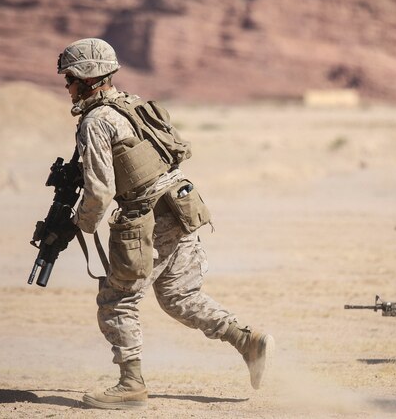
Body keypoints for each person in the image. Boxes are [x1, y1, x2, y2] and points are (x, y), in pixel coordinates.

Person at [56, 38, 273, 410]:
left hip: (148, 218)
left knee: (116, 299)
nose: (67, 86)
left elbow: (99, 190)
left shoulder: (96, 122)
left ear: (89, 79)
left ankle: (131, 385)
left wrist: (80, 222)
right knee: (179, 297)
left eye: (71, 78)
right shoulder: (130, 104)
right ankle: (246, 340)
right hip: (180, 206)